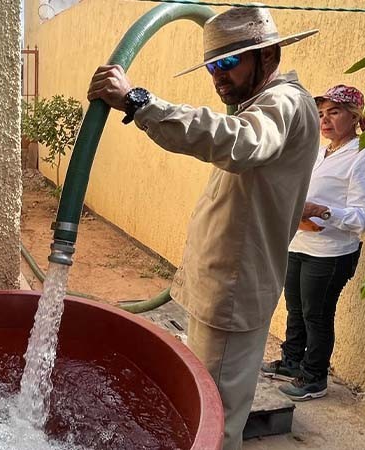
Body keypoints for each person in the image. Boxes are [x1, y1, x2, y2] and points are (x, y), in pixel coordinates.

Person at [87, 7, 319, 449]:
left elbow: (240, 143)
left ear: (268, 55)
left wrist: (140, 103)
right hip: (221, 286)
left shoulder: (283, 101)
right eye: (213, 66)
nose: (218, 76)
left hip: (233, 291)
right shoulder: (261, 106)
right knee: (205, 400)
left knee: (216, 416)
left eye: (229, 63)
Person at [261, 85, 365, 401]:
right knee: (296, 308)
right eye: (320, 114)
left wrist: (322, 210)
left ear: (355, 116)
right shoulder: (318, 152)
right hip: (300, 242)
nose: (325, 120)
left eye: (334, 112)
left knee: (316, 315)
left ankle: (314, 378)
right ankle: (291, 362)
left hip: (331, 253)